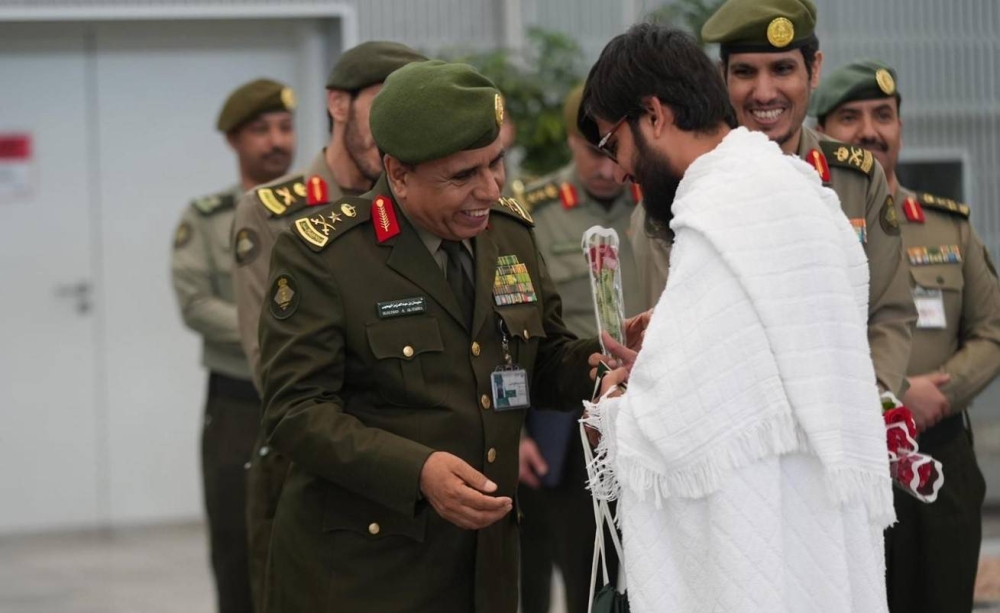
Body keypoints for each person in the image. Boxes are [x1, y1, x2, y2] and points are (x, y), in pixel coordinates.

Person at [257, 60, 647, 613]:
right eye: (462, 176)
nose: (489, 188)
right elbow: (295, 411)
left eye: (495, 163)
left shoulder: (508, 234)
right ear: (398, 173)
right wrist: (417, 471)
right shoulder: (325, 255)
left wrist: (603, 361)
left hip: (484, 565)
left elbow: (540, 357)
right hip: (364, 572)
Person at [579, 24, 895, 613]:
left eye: (611, 143)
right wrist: (670, 350)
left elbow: (682, 433)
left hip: (767, 532)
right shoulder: (796, 188)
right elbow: (764, 373)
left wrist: (616, 401)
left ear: (654, 115)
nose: (619, 170)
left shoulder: (720, 213)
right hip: (817, 529)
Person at [629, 0, 917, 396]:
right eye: (745, 72)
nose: (764, 93)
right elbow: (672, 337)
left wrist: (871, 405)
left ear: (814, 70)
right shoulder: (677, 192)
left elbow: (889, 314)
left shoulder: (857, 178)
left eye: (782, 69)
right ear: (722, 76)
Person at [229, 41, 425, 612]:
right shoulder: (273, 212)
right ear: (338, 104)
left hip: (419, 473)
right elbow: (274, 369)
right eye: (384, 104)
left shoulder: (418, 205)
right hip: (313, 471)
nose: (398, 127)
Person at [813, 59, 1000, 613]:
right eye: (850, 117)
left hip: (939, 457)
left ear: (900, 127)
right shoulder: (810, 227)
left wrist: (939, 394)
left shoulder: (948, 227)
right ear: (822, 133)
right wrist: (894, 395)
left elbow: (992, 330)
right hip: (845, 467)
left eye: (883, 115)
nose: (869, 131)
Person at [171, 77, 296, 613]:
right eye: (261, 130)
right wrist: (278, 326)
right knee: (236, 547)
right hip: (239, 403)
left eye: (286, 127)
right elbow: (196, 304)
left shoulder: (320, 209)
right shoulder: (206, 218)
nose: (277, 140)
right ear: (233, 140)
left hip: (311, 398)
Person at [516, 83, 640, 613]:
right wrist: (517, 429)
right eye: (593, 152)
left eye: (614, 150)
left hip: (646, 408)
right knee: (578, 566)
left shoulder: (656, 203)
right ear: (571, 142)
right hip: (566, 420)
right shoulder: (534, 212)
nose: (608, 167)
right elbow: (517, 332)